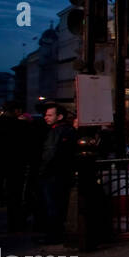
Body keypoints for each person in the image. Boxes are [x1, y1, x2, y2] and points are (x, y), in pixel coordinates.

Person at [37, 104, 77, 245]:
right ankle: (56, 234)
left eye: (49, 115)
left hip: (53, 174)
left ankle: (54, 235)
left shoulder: (56, 131)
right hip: (63, 173)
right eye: (46, 115)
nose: (46, 118)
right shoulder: (68, 130)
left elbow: (50, 153)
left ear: (59, 116)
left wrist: (42, 171)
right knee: (58, 205)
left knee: (53, 205)